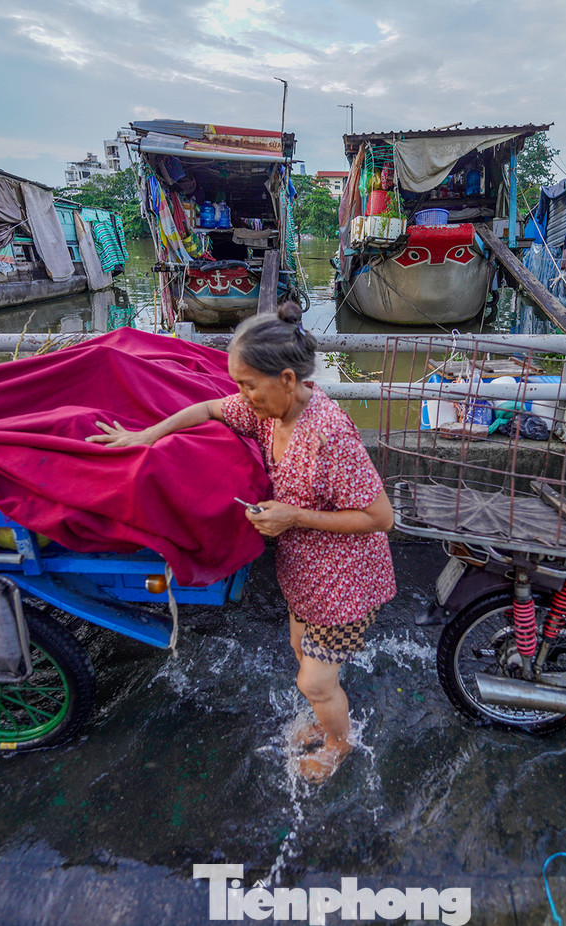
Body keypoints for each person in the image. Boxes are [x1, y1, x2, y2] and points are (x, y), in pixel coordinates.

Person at [87, 303, 395, 781]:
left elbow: (380, 517)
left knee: (313, 679)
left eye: (249, 384)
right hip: (305, 573)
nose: (242, 394)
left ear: (288, 380)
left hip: (347, 582)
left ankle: (339, 741)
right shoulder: (270, 413)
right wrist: (146, 436)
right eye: (239, 383)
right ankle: (324, 714)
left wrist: (294, 515)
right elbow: (208, 408)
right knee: (300, 648)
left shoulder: (329, 433)